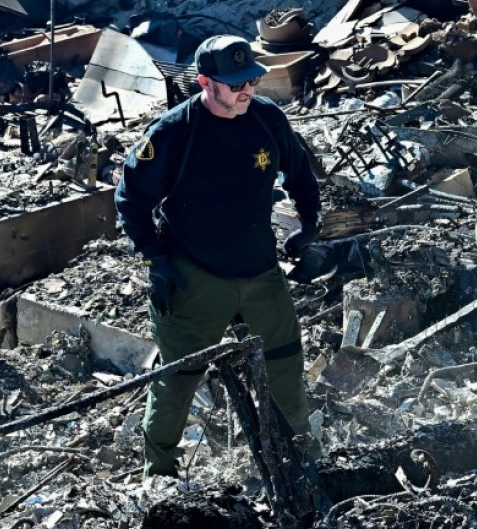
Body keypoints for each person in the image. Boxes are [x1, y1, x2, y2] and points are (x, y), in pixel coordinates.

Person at [115, 35, 322, 478]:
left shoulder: (267, 119)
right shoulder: (174, 133)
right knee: (179, 377)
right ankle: (160, 472)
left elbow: (302, 174)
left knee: (284, 362)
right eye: (234, 84)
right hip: (195, 275)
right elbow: (130, 200)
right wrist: (156, 261)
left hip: (261, 270)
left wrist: (309, 226)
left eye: (250, 80)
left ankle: (300, 457)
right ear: (205, 82)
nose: (245, 90)